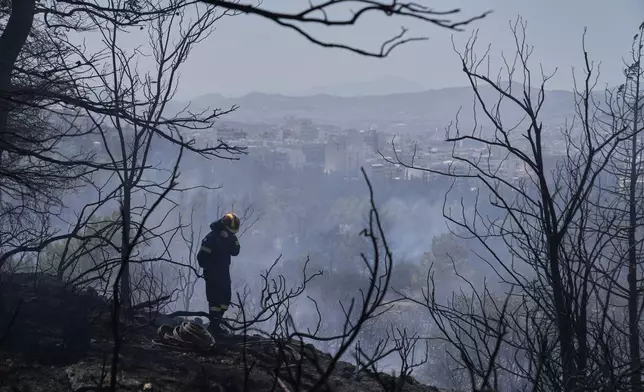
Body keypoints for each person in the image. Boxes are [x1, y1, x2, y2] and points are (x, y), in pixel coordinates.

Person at [196, 212, 241, 337]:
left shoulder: (229, 237)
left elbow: (236, 251)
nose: (232, 233)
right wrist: (212, 269)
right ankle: (214, 327)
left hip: (224, 274)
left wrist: (230, 239)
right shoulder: (211, 238)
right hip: (212, 274)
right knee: (215, 302)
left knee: (226, 299)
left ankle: (216, 323)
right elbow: (201, 258)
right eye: (230, 231)